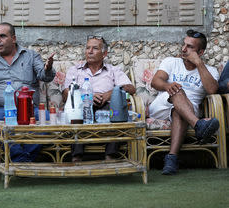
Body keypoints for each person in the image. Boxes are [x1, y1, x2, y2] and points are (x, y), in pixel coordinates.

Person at [0, 22, 55, 162]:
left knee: (50, 118)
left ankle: (23, 158)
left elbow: (45, 76)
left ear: (13, 39)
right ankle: (21, 159)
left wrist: (48, 68)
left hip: (30, 109)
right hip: (2, 110)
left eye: (2, 36)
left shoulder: (31, 56)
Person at [149, 29, 220, 175]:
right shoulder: (171, 62)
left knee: (178, 111)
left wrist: (199, 64)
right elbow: (155, 81)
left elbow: (212, 90)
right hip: (161, 106)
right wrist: (167, 86)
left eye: (190, 47)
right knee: (177, 91)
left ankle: (171, 159)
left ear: (200, 52)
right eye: (184, 44)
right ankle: (198, 125)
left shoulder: (210, 71)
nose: (183, 49)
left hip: (188, 110)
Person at [62, 35, 135, 162]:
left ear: (104, 53)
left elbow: (130, 88)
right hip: (82, 106)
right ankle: (77, 156)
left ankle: (110, 155)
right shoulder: (75, 70)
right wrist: (86, 96)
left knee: (116, 111)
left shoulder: (113, 70)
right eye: (87, 48)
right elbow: (65, 93)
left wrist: (110, 93)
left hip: (106, 106)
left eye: (95, 48)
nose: (89, 51)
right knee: (77, 112)